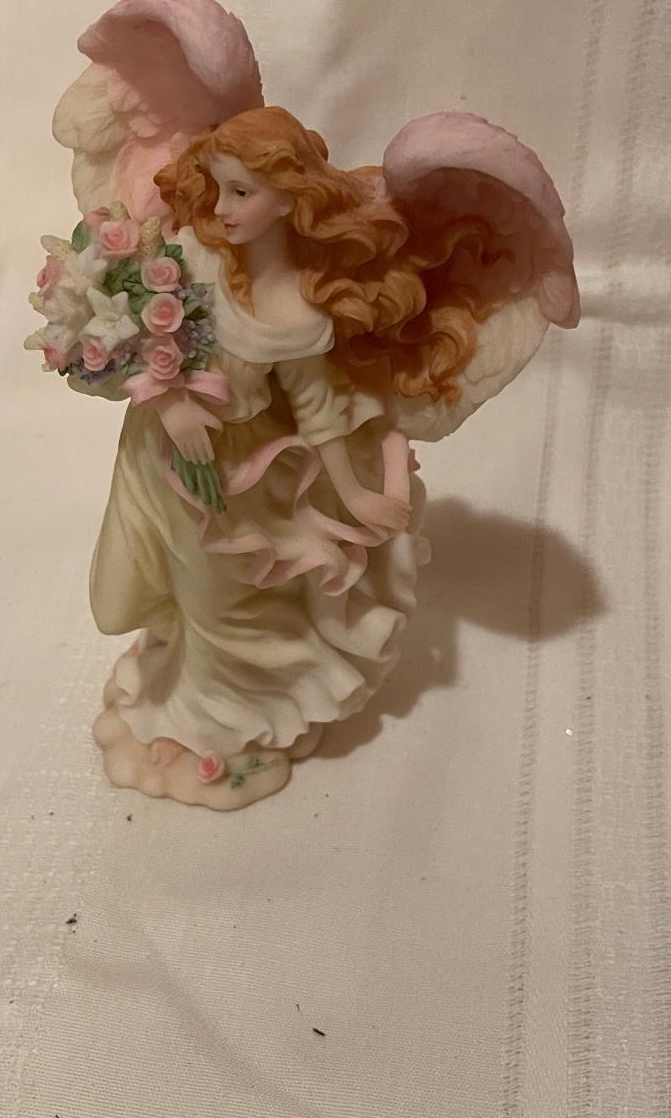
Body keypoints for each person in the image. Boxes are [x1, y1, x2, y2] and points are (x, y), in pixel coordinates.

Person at [88, 107, 433, 809]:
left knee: (222, 608)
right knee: (133, 589)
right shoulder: (192, 255)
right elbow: (121, 348)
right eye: (219, 188)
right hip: (155, 457)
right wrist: (170, 404)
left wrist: (356, 495)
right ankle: (174, 680)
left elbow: (318, 406)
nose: (222, 207)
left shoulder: (301, 310)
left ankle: (214, 725)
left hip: (230, 477)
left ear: (289, 199)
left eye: (242, 192)